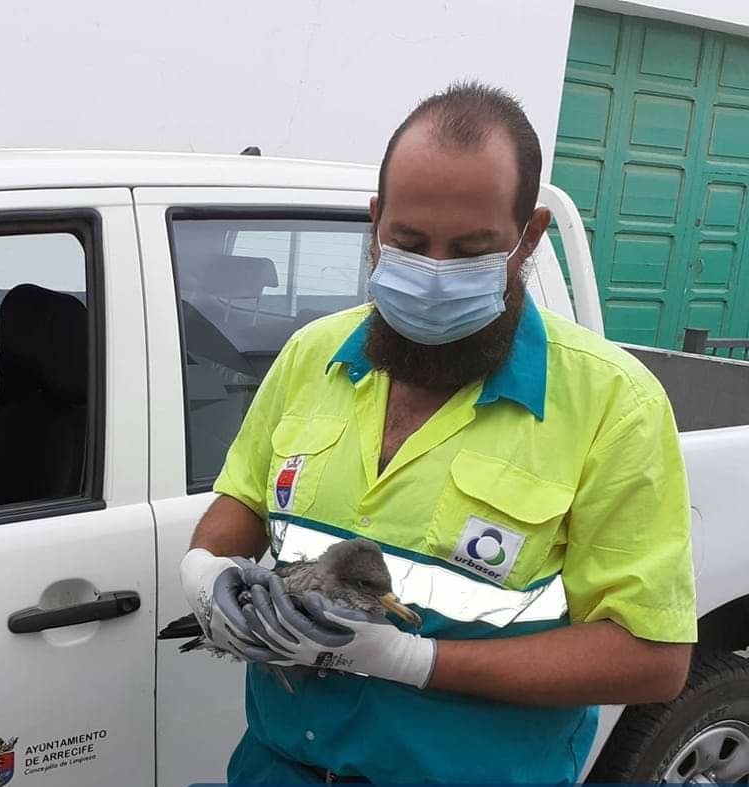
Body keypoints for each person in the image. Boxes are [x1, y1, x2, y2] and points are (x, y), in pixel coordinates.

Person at [179, 81, 698, 784]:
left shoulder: (613, 404)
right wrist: (207, 572)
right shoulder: (311, 355)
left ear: (529, 239)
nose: (434, 273)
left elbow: (651, 658)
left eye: (472, 248)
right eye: (410, 241)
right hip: (277, 766)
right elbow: (239, 501)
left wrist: (410, 659)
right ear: (375, 225)